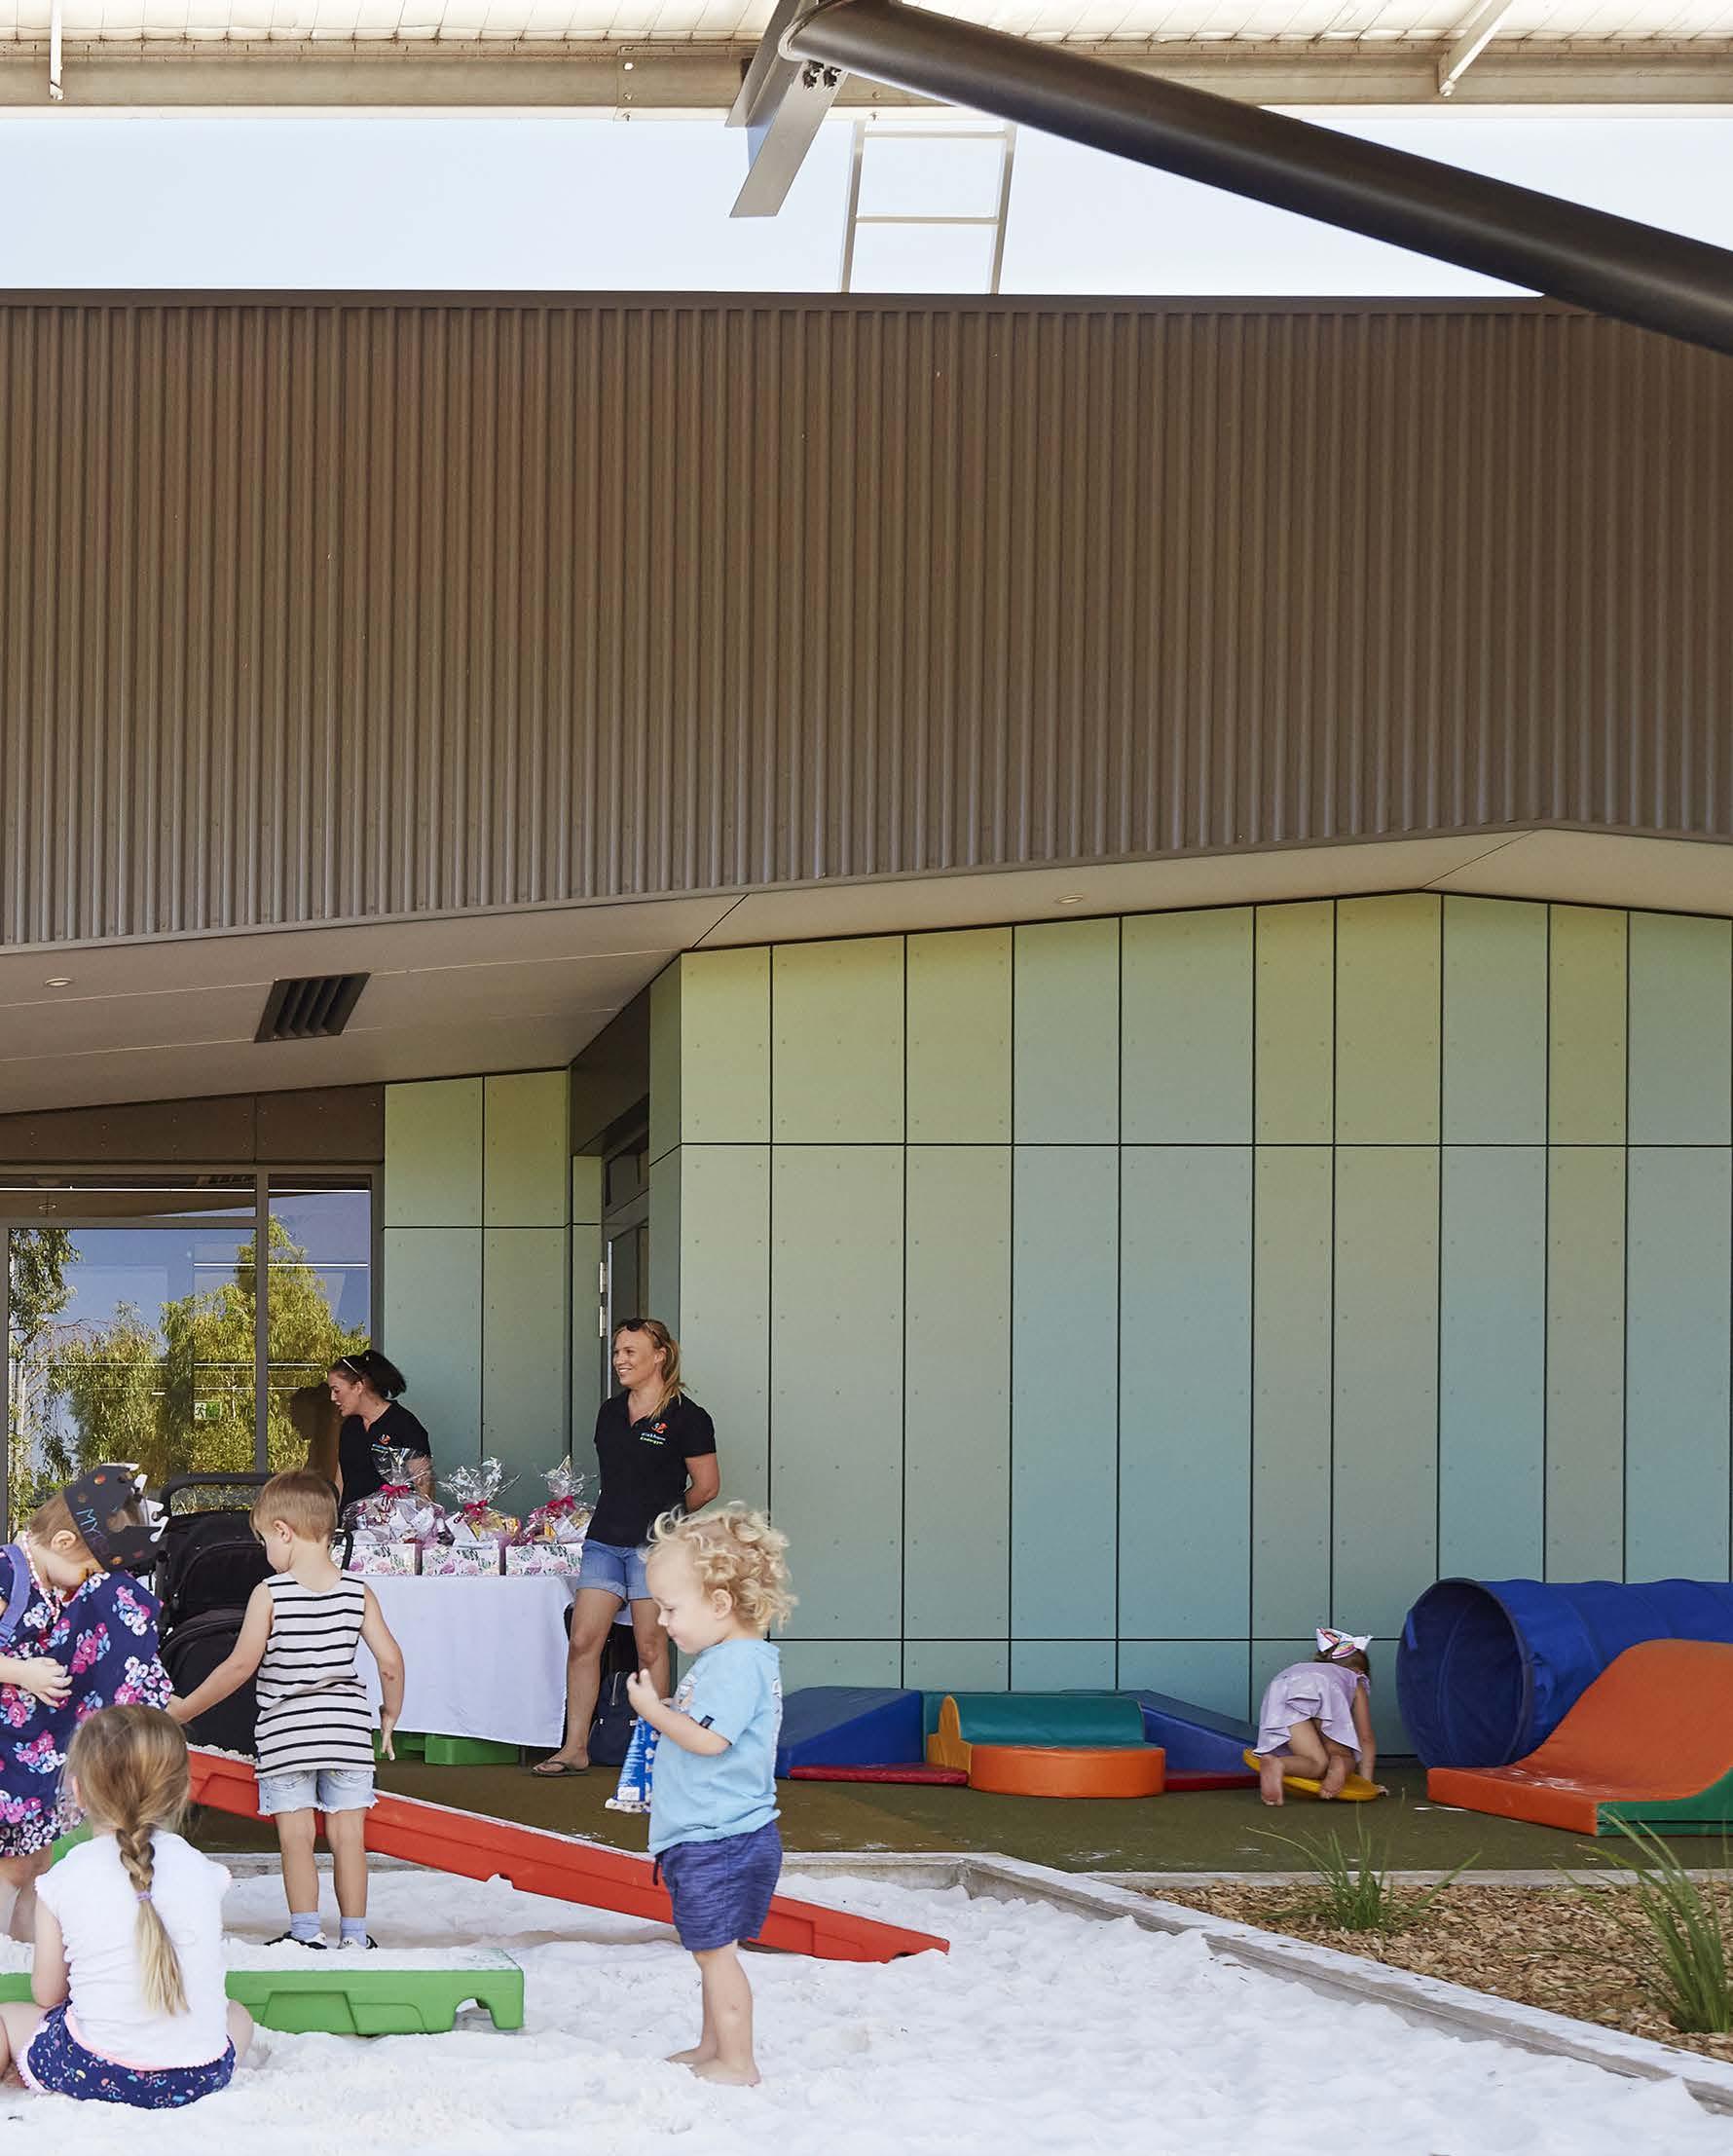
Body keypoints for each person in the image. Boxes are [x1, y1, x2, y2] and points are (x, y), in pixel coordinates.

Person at [166, 1471, 405, 1950]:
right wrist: (389, 1713)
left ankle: (306, 1933)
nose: (266, 1552)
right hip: (346, 1731)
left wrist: (184, 1708)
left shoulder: (271, 1593)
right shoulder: (358, 1591)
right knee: (348, 1838)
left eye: (264, 1540)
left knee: (296, 1839)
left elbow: (239, 1667)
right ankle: (355, 1936)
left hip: (287, 1734)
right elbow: (390, 1661)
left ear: (283, 1531)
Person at [0, 1704, 253, 2108]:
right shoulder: (203, 1869)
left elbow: (47, 1995)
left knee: (7, 2018)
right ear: (180, 1792)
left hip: (95, 2070)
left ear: (78, 1791)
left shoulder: (64, 1877)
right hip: (197, 2075)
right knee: (238, 2015)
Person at [626, 1505, 793, 2087]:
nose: (663, 1621)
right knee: (709, 1950)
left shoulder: (736, 1664)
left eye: (672, 1608)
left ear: (720, 1603)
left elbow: (709, 1740)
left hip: (721, 1837)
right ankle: (712, 2045)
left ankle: (737, 2061)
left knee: (717, 1954)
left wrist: (653, 1711)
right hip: (714, 1833)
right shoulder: (730, 1660)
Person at [534, 1319, 719, 1777]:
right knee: (583, 1641)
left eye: (630, 1352)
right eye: (617, 1351)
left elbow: (707, 1486)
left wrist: (666, 1522)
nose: (620, 1360)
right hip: (604, 1540)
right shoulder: (610, 1412)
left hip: (654, 1547)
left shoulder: (689, 1417)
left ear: (660, 1356)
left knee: (650, 1647)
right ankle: (575, 1747)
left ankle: (655, 1752)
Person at [0, 1474, 171, 1943]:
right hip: (7, 1754)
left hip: (29, 1759)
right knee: (12, 1868)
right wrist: (22, 1672)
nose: (89, 1582)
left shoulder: (56, 1586)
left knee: (37, 1865)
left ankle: (29, 1951)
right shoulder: (8, 1573)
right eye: (89, 1570)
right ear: (62, 1542)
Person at [1254, 1627, 1381, 1806]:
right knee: (1341, 1755)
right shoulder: (1354, 1680)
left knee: (1316, 1762)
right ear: (1360, 1672)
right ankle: (1340, 1763)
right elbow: (1365, 1737)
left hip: (1283, 1688)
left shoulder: (1303, 1670)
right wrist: (1367, 1784)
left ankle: (1279, 1764)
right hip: (1328, 1690)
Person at [328, 1350, 433, 1511]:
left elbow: (424, 1486)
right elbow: (341, 1480)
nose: (332, 1398)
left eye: (336, 1390)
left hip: (392, 1523)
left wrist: (421, 1522)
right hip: (351, 1522)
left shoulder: (404, 1424)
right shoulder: (350, 1426)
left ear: (358, 1386)